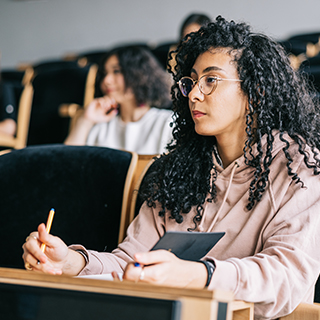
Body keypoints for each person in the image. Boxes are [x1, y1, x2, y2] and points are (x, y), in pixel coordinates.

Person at [22, 16, 320, 319]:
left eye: (211, 80)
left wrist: (198, 275)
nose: (193, 94)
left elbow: (286, 276)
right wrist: (72, 262)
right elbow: (131, 261)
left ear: (255, 92)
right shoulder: (177, 169)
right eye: (191, 81)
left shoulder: (301, 170)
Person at [64, 45, 173, 155]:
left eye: (117, 71)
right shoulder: (100, 127)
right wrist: (86, 120)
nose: (106, 81)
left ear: (140, 74)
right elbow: (68, 162)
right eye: (104, 74)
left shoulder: (168, 123)